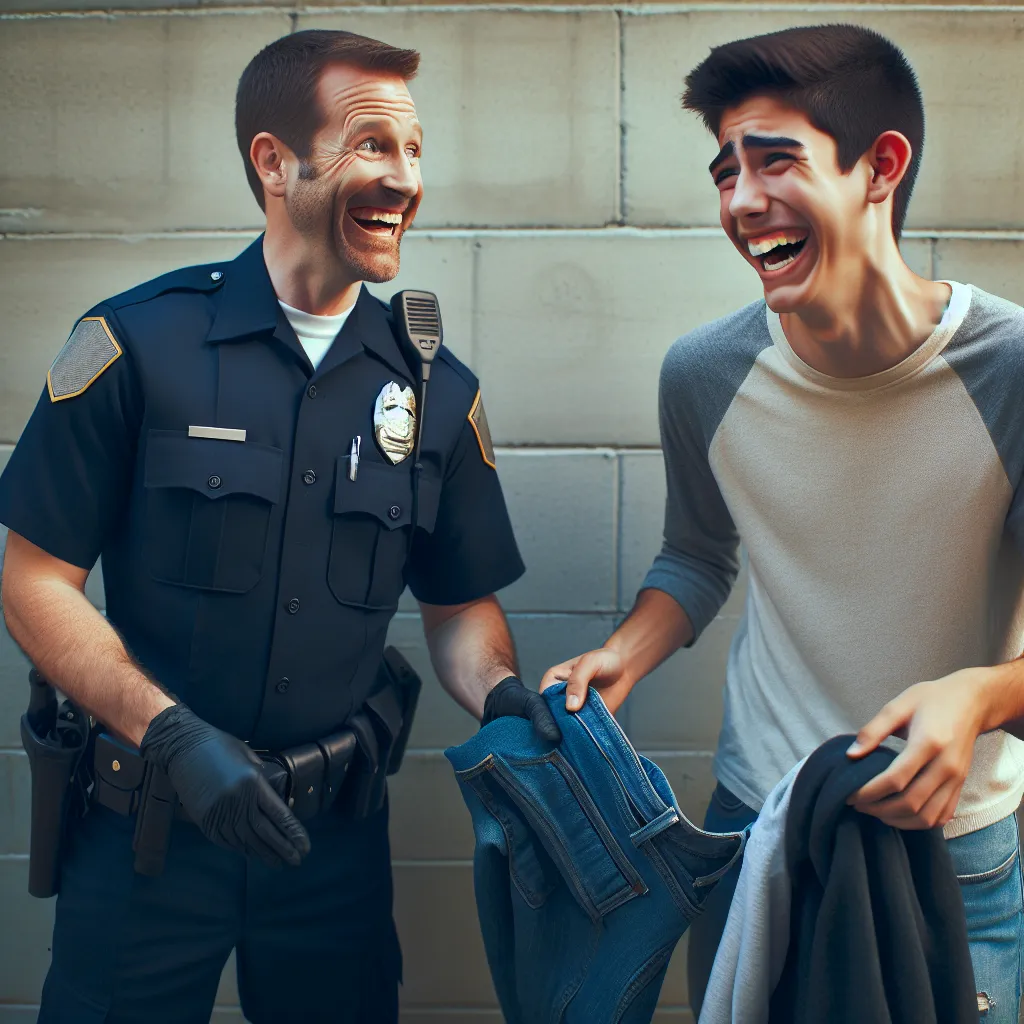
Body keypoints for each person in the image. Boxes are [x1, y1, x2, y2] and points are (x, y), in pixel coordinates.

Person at [0, 28, 559, 1024]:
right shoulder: (136, 345)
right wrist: (170, 733)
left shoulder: (435, 391)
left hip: (329, 850)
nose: (404, 178)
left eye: (415, 150)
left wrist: (501, 693)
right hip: (145, 837)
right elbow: (35, 579)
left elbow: (459, 606)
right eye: (373, 145)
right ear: (273, 162)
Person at [541, 23, 1024, 1021]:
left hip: (957, 850)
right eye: (725, 171)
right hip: (753, 828)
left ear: (878, 168)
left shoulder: (1011, 370)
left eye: (774, 161)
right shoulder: (703, 373)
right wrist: (624, 654)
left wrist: (977, 696)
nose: (740, 200)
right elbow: (696, 553)